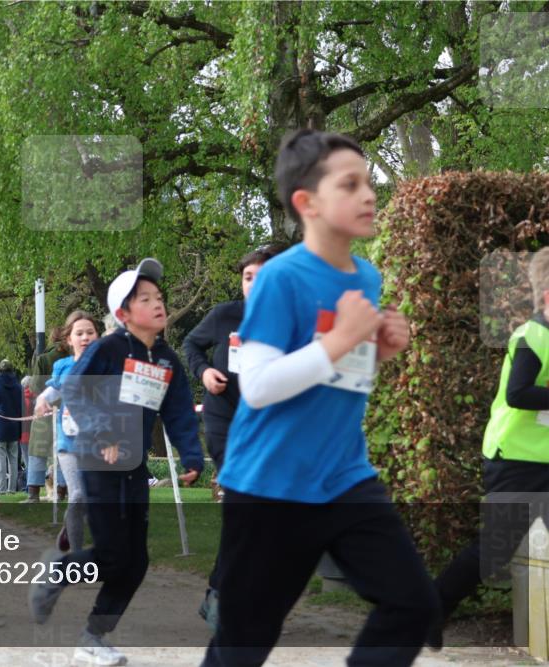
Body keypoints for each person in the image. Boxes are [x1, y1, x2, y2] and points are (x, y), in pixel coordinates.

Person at [202, 129, 437, 667]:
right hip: (269, 486)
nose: (369, 194)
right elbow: (258, 387)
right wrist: (341, 340)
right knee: (243, 644)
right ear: (306, 203)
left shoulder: (367, 277)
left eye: (370, 182)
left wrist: (374, 354)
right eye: (350, 184)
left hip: (344, 479)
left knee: (413, 603)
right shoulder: (280, 278)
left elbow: (337, 378)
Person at [28, 259, 203, 666]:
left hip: (135, 466)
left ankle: (94, 637)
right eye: (146, 299)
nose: (158, 304)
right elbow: (75, 390)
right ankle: (59, 572)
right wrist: (103, 433)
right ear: (123, 314)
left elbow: (177, 411)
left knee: (136, 561)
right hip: (98, 459)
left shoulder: (166, 360)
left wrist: (192, 455)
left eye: (159, 297)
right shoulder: (107, 349)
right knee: (110, 556)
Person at [429, 247, 549, 649]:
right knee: (494, 551)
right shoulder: (531, 337)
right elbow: (518, 394)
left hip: (543, 459)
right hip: (515, 460)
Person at [182, 244, 283, 629]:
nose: (254, 285)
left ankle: (220, 589)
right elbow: (191, 344)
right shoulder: (225, 315)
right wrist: (204, 373)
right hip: (225, 420)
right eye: (248, 277)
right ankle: (226, 599)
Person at [35, 310, 99, 552]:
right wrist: (42, 400)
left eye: (90, 333)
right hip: (69, 442)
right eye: (79, 333)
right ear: (69, 340)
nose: (85, 337)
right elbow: (52, 392)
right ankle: (76, 555)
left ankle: (69, 528)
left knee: (93, 499)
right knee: (78, 495)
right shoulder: (63, 366)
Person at [25, 332, 68, 502]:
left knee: (37, 452)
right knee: (64, 453)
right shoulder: (73, 357)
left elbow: (35, 386)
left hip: (45, 410)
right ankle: (61, 492)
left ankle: (33, 493)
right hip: (67, 411)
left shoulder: (43, 359)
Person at [0, 358, 23, 494]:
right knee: (13, 460)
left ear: (0, 371)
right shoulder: (19, 386)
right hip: (15, 427)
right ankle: (12, 489)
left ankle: (0, 489)